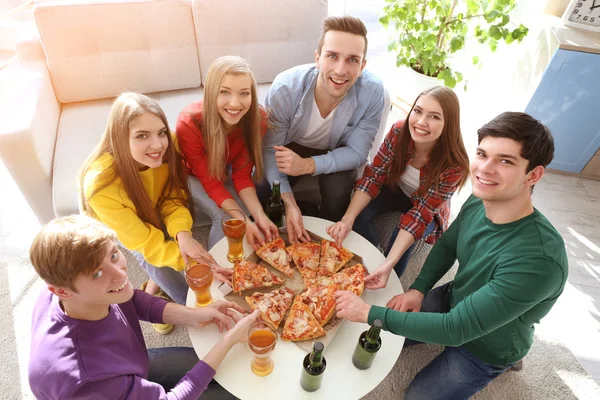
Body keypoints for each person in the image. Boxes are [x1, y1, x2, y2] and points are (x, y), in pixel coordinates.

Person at [334, 112, 568, 399]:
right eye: (482, 154)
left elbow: (455, 329)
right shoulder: (480, 198)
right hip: (453, 299)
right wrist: (418, 289)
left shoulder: (539, 262)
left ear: (534, 174)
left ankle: (508, 359)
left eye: (505, 161)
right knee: (377, 335)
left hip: (487, 347)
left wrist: (367, 312)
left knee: (415, 396)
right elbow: (446, 247)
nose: (485, 169)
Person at [28, 215, 259, 399]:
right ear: (61, 291)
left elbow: (132, 299)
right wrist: (228, 341)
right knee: (230, 394)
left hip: (126, 364)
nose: (120, 275)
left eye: (114, 255)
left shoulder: (68, 291)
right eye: (97, 273)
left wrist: (193, 315)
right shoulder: (88, 381)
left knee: (227, 372)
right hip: (104, 383)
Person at [79, 92, 231, 323]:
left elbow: (172, 196)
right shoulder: (100, 186)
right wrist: (197, 264)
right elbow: (146, 243)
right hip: (123, 227)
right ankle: (188, 310)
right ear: (120, 138)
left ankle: (153, 286)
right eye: (142, 136)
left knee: (171, 252)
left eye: (161, 132)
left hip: (153, 205)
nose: (157, 144)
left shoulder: (167, 146)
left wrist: (183, 234)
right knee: (157, 264)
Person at [262, 15, 385, 243]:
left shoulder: (374, 92)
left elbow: (358, 154)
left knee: (340, 187)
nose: (340, 70)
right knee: (263, 187)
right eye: (332, 56)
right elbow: (270, 150)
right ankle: (287, 226)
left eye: (352, 60)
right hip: (291, 144)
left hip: (337, 149)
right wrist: (289, 202)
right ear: (317, 58)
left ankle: (326, 243)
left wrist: (307, 166)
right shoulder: (285, 89)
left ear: (362, 66)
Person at [327, 86, 469, 279]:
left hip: (425, 206)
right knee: (358, 213)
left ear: (449, 124)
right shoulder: (398, 131)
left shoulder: (455, 165)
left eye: (434, 117)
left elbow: (420, 214)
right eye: (418, 111)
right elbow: (373, 176)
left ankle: (390, 276)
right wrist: (347, 219)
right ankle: (371, 258)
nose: (421, 122)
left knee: (400, 241)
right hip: (395, 189)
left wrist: (389, 263)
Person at [177, 56, 278, 250]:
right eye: (225, 92)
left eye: (244, 93)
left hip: (224, 167)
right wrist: (245, 222)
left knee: (246, 213)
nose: (235, 103)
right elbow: (211, 182)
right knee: (228, 218)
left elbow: (242, 175)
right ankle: (218, 272)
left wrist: (260, 217)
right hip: (191, 175)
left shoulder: (258, 118)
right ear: (211, 92)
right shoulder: (188, 123)